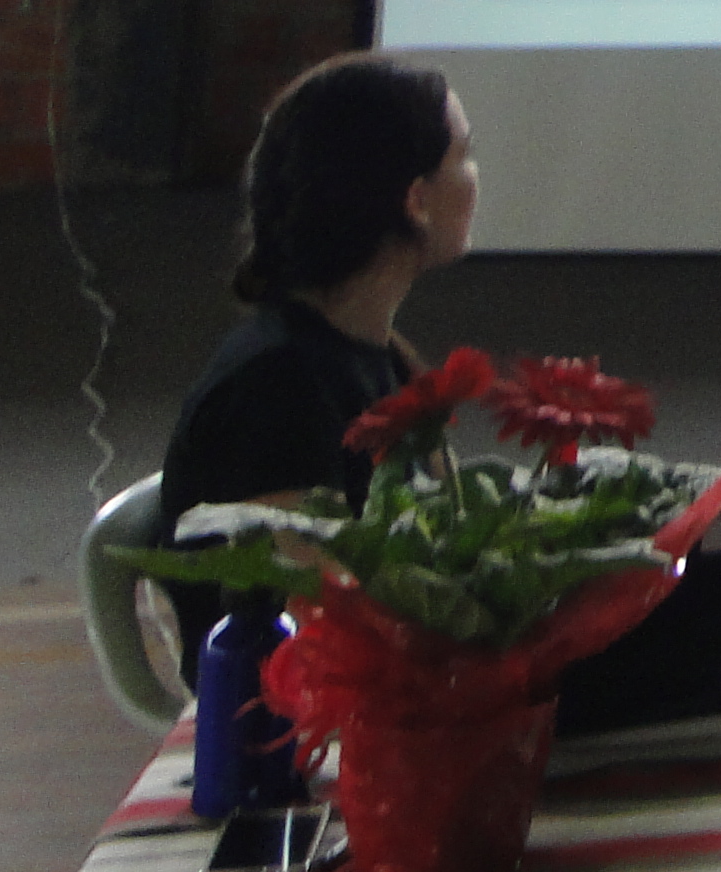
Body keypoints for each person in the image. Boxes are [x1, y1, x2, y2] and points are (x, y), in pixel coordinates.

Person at [157, 57, 480, 681]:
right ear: (415, 200)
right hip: (287, 711)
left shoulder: (379, 355)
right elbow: (319, 621)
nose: (475, 175)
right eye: (464, 155)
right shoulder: (274, 388)